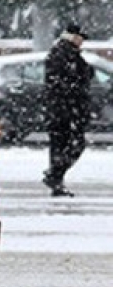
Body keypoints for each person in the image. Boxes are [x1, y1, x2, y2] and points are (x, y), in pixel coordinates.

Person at [43, 23, 93, 197]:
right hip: (65, 110)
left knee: (63, 146)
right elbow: (61, 82)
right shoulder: (63, 55)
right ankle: (55, 177)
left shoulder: (67, 54)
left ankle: (56, 179)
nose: (82, 42)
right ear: (72, 37)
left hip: (66, 109)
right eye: (81, 38)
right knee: (71, 144)